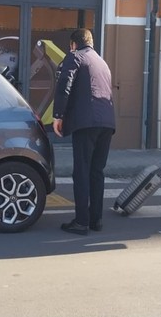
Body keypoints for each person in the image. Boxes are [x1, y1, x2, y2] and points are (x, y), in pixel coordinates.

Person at [52, 28, 116, 235]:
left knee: (81, 172)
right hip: (106, 123)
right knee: (97, 172)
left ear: (73, 44)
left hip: (86, 122)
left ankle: (81, 222)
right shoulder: (102, 62)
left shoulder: (75, 56)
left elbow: (64, 84)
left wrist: (58, 115)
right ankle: (95, 220)